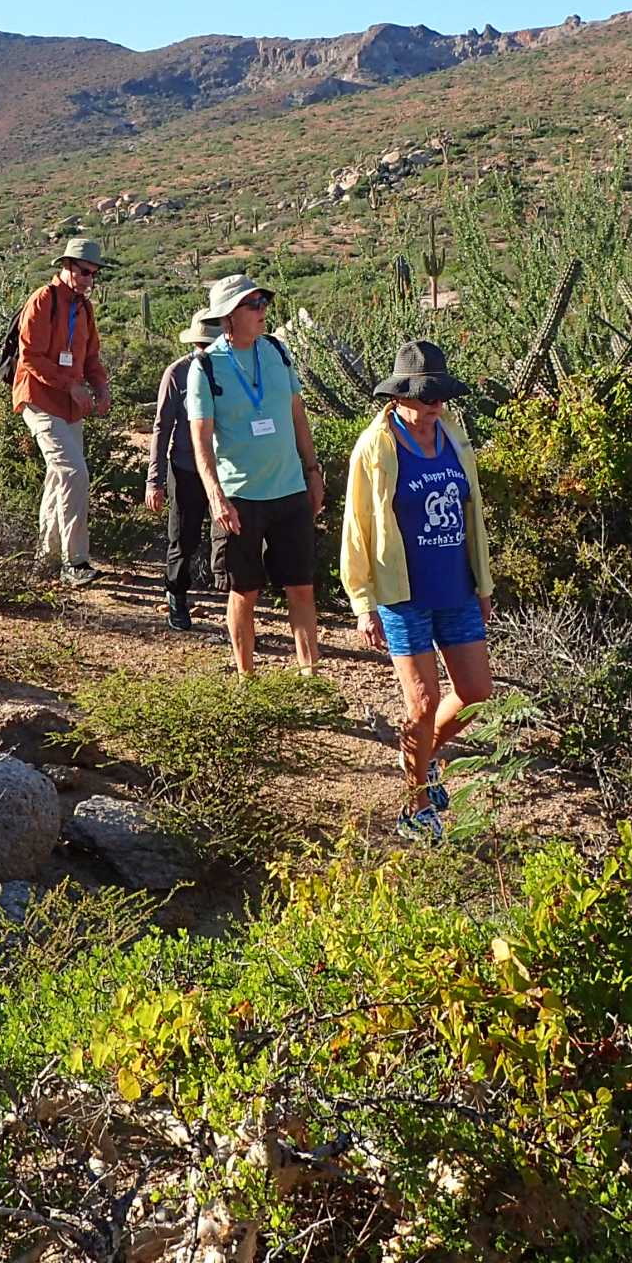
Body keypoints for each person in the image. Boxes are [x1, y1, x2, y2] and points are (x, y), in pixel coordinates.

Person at [340, 341, 496, 845]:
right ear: (400, 396)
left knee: (475, 693)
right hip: (403, 593)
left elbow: (472, 512)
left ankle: (422, 757)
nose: (436, 404)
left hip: (457, 587)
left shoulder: (453, 434)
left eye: (441, 394)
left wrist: (483, 584)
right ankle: (416, 805)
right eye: (427, 396)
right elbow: (357, 528)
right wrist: (363, 604)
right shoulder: (376, 446)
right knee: (423, 702)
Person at [185, 275, 326, 676]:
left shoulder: (278, 351)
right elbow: (201, 440)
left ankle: (309, 675)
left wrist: (313, 471)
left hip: (289, 490)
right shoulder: (205, 367)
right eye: (254, 304)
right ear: (229, 316)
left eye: (264, 302)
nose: (264, 310)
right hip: (240, 497)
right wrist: (216, 496)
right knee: (244, 590)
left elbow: (298, 416)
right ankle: (247, 679)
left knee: (301, 587)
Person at [13, 238, 113, 587]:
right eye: (84, 272)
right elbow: (30, 356)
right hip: (40, 400)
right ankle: (75, 562)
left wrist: (101, 387)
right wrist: (69, 384)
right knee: (74, 473)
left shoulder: (84, 308)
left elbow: (91, 358)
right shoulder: (45, 299)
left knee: (60, 478)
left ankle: (47, 559)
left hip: (71, 407)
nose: (89, 279)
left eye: (94, 274)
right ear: (67, 267)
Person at [146, 311, 225, 632]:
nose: (206, 350)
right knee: (183, 537)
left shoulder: (233, 369)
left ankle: (233, 599)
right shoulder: (177, 373)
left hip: (225, 469)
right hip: (187, 467)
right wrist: (155, 480)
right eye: (202, 344)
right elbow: (162, 427)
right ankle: (176, 595)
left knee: (229, 535)